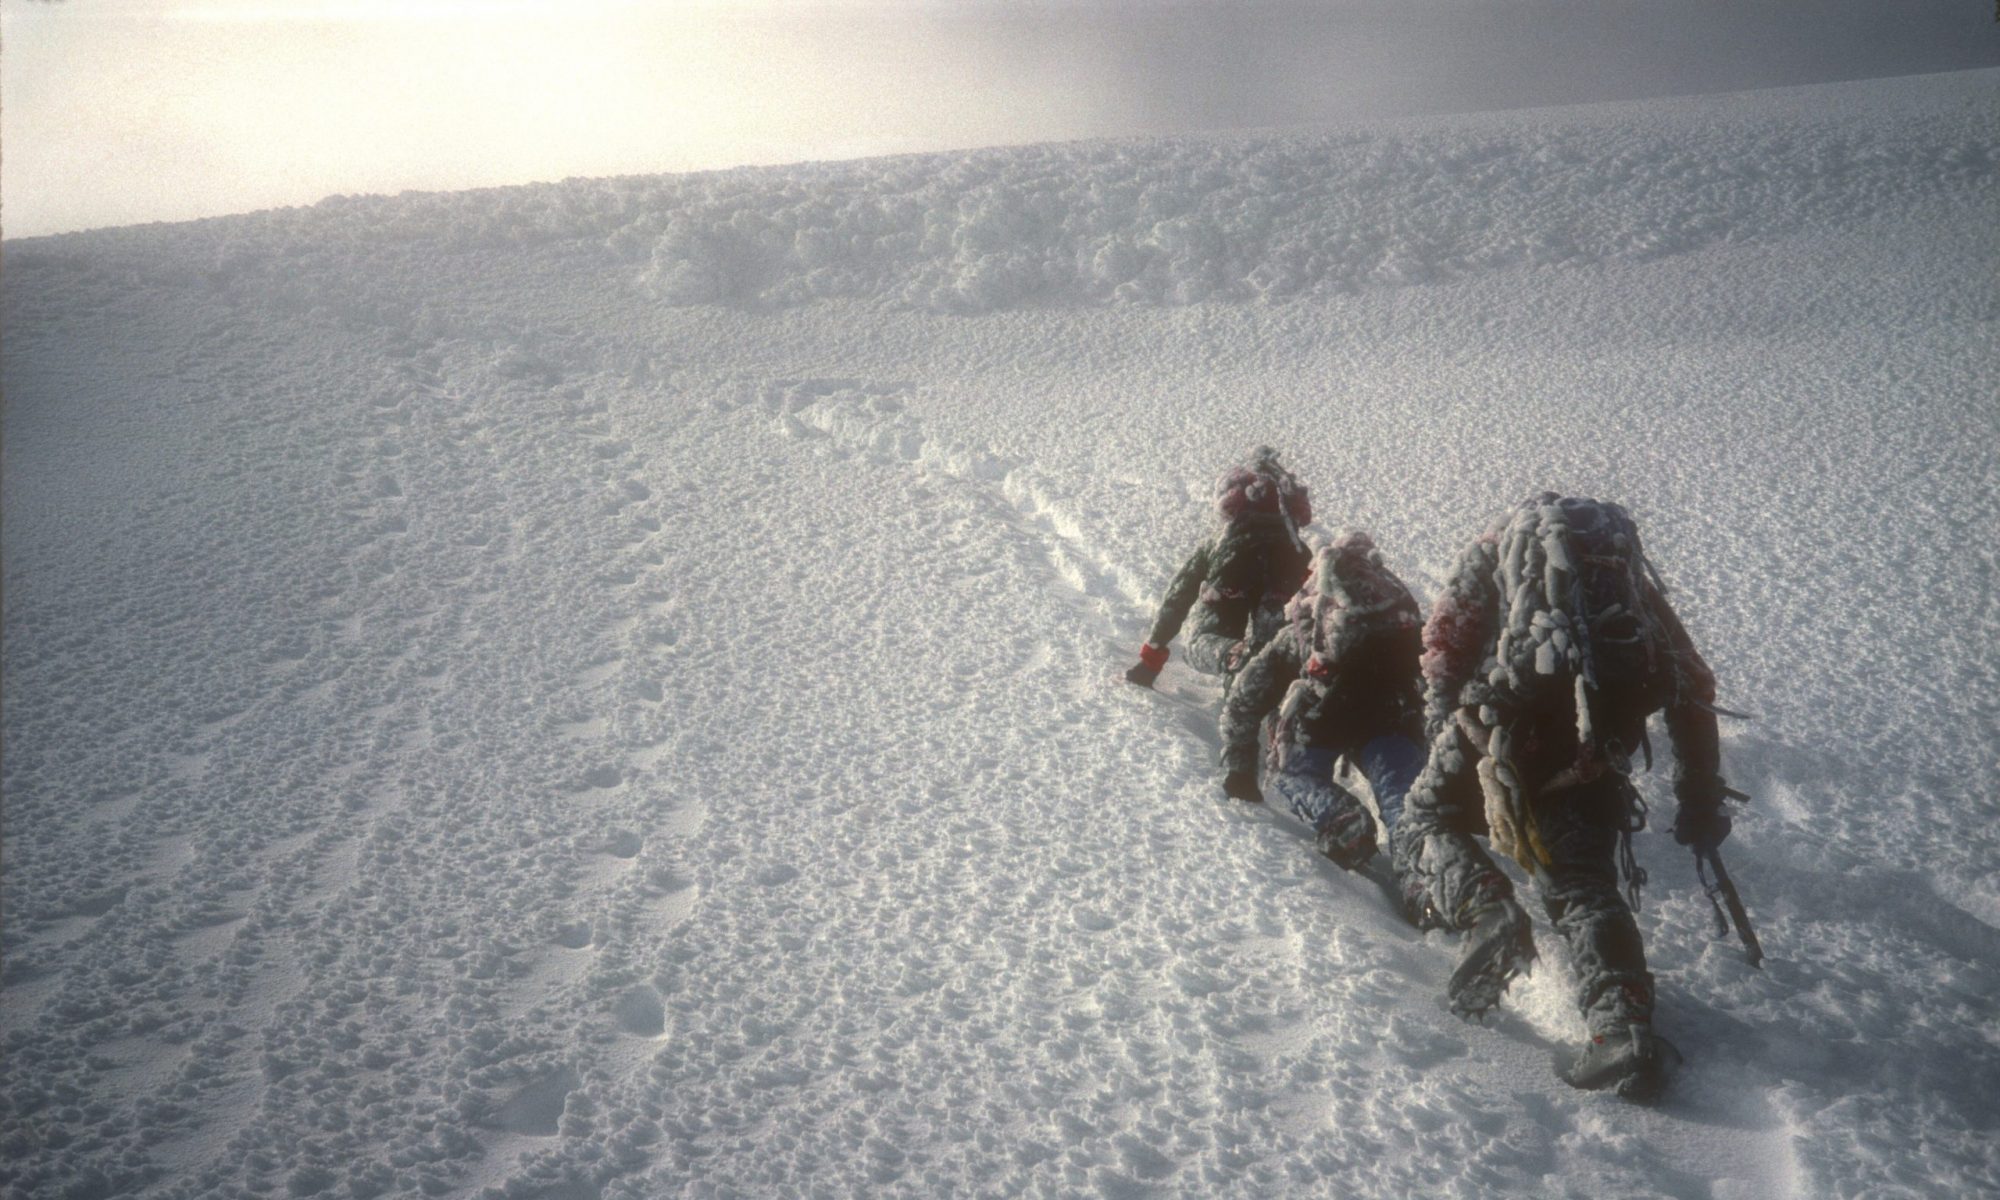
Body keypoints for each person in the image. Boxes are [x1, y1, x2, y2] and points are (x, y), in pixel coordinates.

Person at [1390, 493, 1738, 1103]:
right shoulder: (1625, 585)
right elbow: (1692, 683)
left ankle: (1486, 906)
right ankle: (1621, 1029)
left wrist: (1449, 738)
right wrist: (1698, 794)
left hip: (1495, 733)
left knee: (1420, 819)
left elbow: (1442, 653)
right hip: (1592, 751)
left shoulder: (1495, 556)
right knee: (1581, 885)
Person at [1215, 532, 1429, 878]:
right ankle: (1427, 877)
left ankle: (1342, 821)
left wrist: (1240, 766)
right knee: (1401, 794)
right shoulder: (1393, 622)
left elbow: (1245, 696)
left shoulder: (1304, 631)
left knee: (1293, 775)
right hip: (1393, 714)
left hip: (1323, 718)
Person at [1124, 447, 1312, 690]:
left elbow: (1179, 594)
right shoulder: (1298, 548)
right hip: (1287, 570)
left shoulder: (1220, 543)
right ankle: (1282, 685)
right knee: (1274, 645)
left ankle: (1233, 655)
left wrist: (1151, 659)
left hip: (1232, 567)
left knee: (1202, 643)